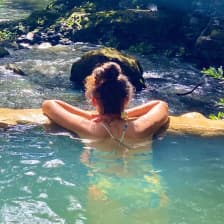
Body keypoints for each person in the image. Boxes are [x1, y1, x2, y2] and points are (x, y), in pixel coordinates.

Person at [42, 62, 168, 144]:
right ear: (127, 99)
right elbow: (161, 105)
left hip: (100, 184)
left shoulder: (89, 128)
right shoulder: (140, 128)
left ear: (93, 100)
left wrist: (89, 116)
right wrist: (122, 114)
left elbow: (49, 105)